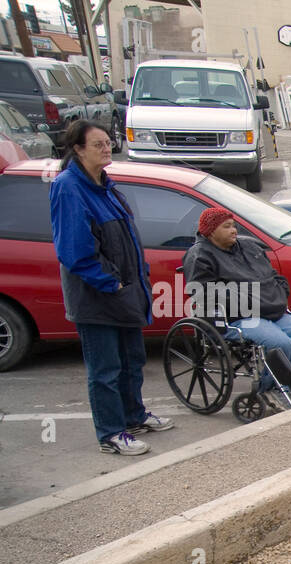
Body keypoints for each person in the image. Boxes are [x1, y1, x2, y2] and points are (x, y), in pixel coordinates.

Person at [50, 119, 173, 456]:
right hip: (97, 297)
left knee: (132, 361)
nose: (106, 149)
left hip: (126, 293)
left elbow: (127, 240)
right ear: (77, 149)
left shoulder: (106, 184)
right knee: (105, 370)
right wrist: (113, 283)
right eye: (98, 145)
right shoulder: (69, 187)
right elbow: (74, 251)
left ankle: (133, 416)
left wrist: (137, 278)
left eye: (108, 143)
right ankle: (111, 434)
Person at [183, 207, 291, 407]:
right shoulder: (199, 255)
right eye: (226, 226)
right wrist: (250, 301)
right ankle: (269, 390)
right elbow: (202, 293)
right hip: (239, 316)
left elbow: (274, 276)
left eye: (234, 226)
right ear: (210, 231)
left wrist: (278, 293)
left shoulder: (249, 247)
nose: (234, 230)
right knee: (280, 343)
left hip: (272, 309)